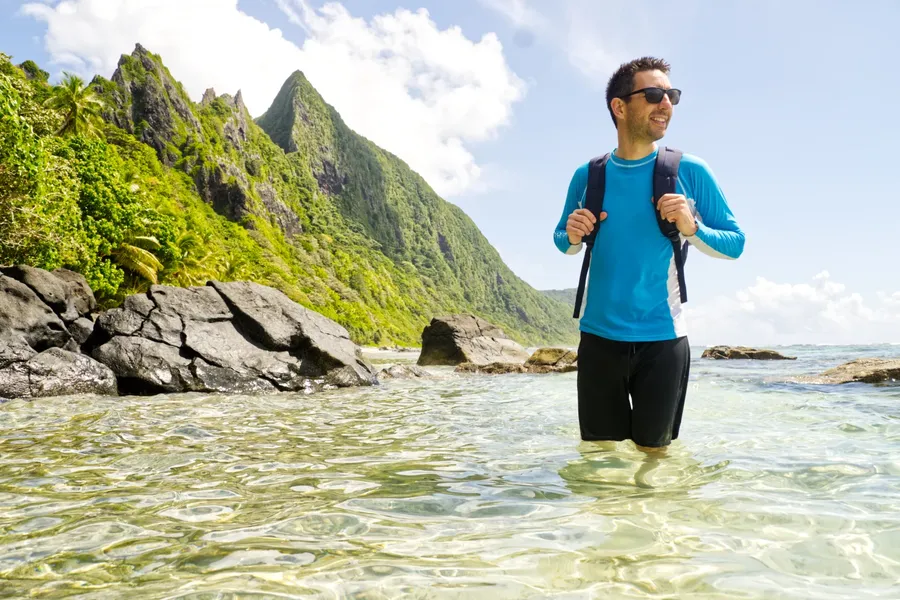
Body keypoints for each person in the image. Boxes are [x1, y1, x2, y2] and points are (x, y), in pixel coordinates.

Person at [554, 56, 745, 453]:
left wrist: (692, 228)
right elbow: (562, 240)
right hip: (598, 339)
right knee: (600, 458)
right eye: (655, 94)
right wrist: (572, 234)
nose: (666, 103)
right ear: (619, 107)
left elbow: (735, 243)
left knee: (654, 458)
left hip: (664, 340)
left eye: (672, 94)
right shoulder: (588, 175)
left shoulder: (690, 170)